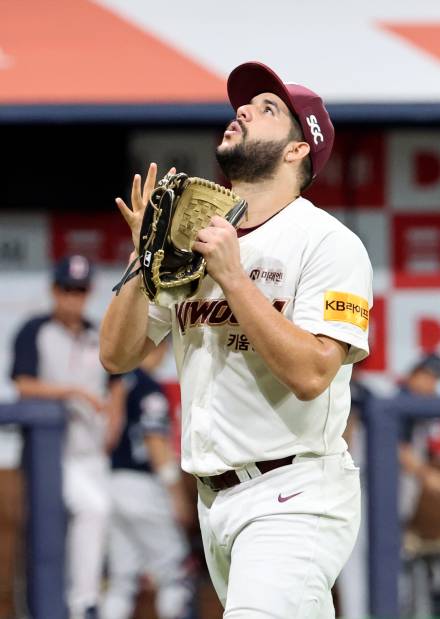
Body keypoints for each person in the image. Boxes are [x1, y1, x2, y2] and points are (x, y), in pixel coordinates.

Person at [100, 61, 373, 618]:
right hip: (215, 500)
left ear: (299, 150)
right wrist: (143, 258)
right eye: (243, 105)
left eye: (267, 109)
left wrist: (232, 276)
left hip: (295, 492)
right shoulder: (193, 239)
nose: (242, 111)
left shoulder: (326, 242)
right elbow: (116, 354)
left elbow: (313, 374)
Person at [11, 255, 124, 619]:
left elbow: (117, 383)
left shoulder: (97, 334)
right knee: (62, 527)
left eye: (80, 289)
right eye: (66, 289)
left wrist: (114, 422)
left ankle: (82, 603)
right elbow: (23, 384)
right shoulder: (35, 329)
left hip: (92, 452)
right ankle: (72, 605)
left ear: (89, 292)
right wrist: (72, 392)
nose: (72, 297)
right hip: (50, 456)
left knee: (98, 524)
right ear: (53, 290)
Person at [101, 339, 196, 619]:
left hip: (111, 482)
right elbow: (156, 445)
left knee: (121, 580)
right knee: (176, 573)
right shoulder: (148, 388)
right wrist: (177, 496)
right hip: (142, 487)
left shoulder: (120, 381)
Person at [399, 354, 440, 617]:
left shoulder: (422, 408)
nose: (430, 384)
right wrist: (428, 475)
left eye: (434, 379)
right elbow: (398, 449)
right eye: (427, 376)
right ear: (415, 374)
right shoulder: (398, 398)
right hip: (380, 489)